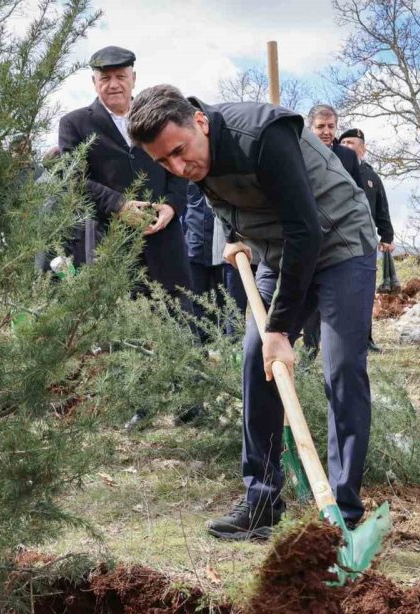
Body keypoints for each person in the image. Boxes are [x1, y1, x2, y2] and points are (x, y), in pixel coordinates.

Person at [129, 84, 378, 540]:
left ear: (200, 121)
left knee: (341, 367)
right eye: (165, 163)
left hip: (339, 241)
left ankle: (344, 510)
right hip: (276, 251)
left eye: (181, 152)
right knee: (255, 361)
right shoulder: (193, 156)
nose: (179, 169)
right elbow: (226, 197)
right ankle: (261, 502)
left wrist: (280, 327)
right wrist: (234, 235)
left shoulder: (263, 134)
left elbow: (306, 230)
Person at [57, 46, 192, 300]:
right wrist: (120, 205)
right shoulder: (74, 124)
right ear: (94, 82)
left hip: (165, 249)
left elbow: (180, 165)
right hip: (110, 247)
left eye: (121, 77)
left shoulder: (161, 117)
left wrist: (172, 205)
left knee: (179, 326)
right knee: (120, 333)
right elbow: (73, 181)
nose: (113, 85)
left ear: (134, 79)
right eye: (105, 78)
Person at [301, 105, 366, 355]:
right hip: (310, 230)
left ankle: (337, 349)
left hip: (342, 234)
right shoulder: (299, 152)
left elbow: (358, 193)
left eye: (331, 126)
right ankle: (309, 348)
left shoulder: (347, 157)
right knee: (307, 292)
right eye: (321, 127)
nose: (327, 132)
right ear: (310, 127)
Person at [340, 127, 395, 353]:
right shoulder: (332, 169)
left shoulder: (372, 177)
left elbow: (382, 208)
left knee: (364, 291)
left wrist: (387, 235)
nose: (345, 147)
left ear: (362, 149)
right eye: (342, 143)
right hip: (337, 239)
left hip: (365, 241)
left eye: (350, 143)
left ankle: (366, 338)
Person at [182, 182, 248, 340]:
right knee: (195, 306)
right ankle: (199, 355)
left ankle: (234, 359)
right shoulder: (183, 168)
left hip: (230, 251)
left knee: (233, 307)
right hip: (194, 245)